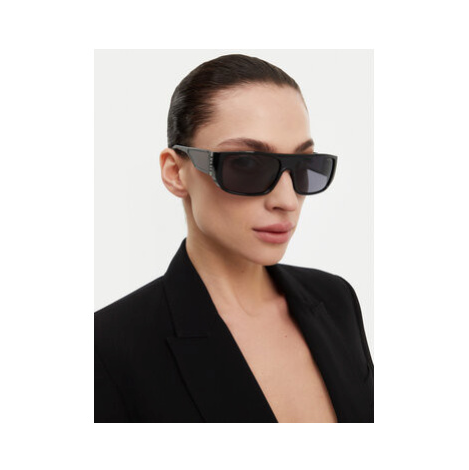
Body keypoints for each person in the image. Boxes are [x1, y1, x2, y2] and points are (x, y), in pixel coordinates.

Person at [94, 53, 374, 423]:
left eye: (305, 165)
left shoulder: (336, 300)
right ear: (176, 172)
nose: (287, 201)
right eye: (246, 163)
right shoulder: (106, 348)